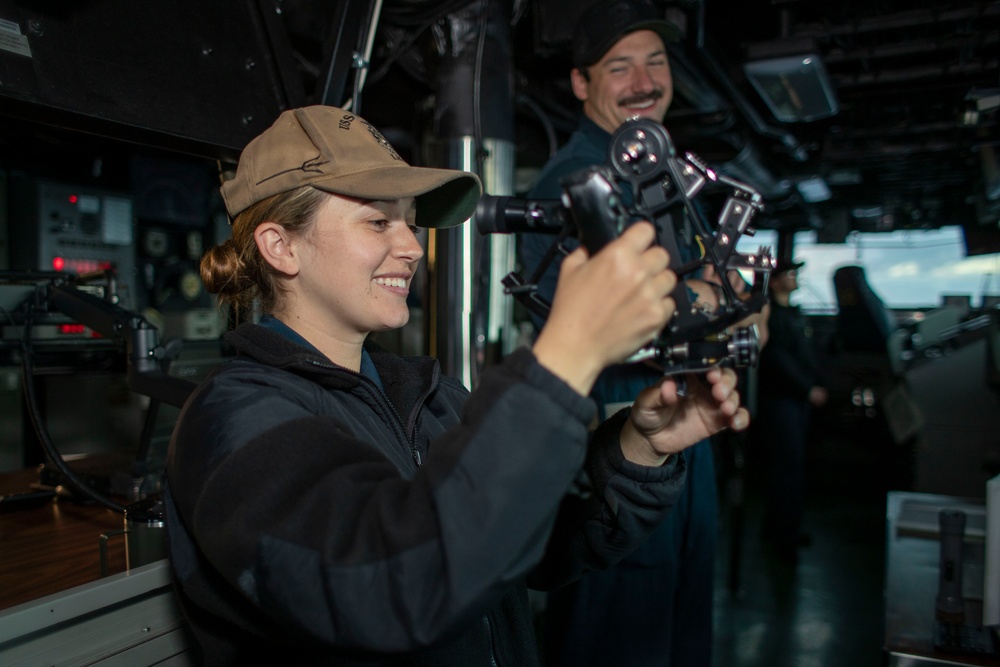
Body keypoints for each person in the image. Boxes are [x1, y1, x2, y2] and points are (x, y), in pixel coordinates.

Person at [163, 104, 749, 666]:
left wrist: (638, 450)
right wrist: (567, 353)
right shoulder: (233, 419)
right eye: (378, 221)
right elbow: (389, 585)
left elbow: (523, 545)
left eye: (410, 222)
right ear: (280, 246)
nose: (413, 247)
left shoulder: (426, 394)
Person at [519, 2, 767, 665]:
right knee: (617, 637)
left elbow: (724, 296)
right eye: (619, 66)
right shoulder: (576, 183)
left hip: (687, 434)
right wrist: (718, 299)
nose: (643, 82)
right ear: (580, 84)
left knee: (680, 628)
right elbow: (571, 307)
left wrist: (733, 304)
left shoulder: (661, 178)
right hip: (621, 437)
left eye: (655, 63)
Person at [755, 260, 827, 564]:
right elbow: (776, 360)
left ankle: (781, 527)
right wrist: (806, 389)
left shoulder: (794, 315)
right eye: (789, 274)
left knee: (791, 466)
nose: (795, 277)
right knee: (788, 467)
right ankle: (783, 535)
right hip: (782, 401)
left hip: (795, 402)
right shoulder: (771, 316)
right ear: (774, 282)